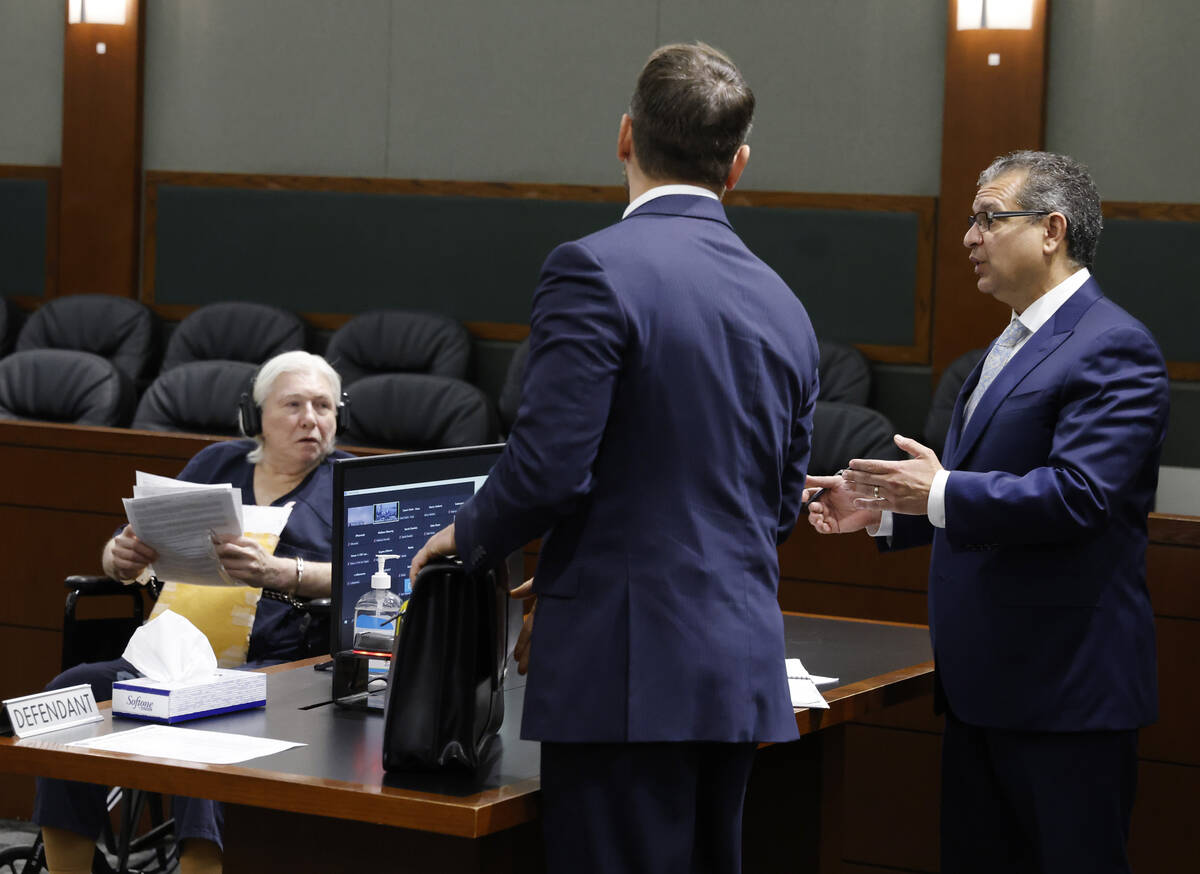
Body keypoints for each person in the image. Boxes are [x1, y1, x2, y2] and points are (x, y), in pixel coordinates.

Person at [410, 42, 819, 874]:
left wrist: (470, 536)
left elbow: (551, 466)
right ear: (737, 165)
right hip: (735, 670)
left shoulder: (592, 269)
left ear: (624, 136)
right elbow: (780, 505)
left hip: (624, 672)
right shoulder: (786, 303)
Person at [805, 151, 1169, 874]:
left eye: (988, 218)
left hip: (1066, 697)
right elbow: (976, 488)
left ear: (1051, 231)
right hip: (983, 690)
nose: (969, 235)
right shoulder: (1004, 344)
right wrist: (882, 510)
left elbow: (1081, 496)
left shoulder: (1114, 346)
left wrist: (934, 494)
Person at [34, 350, 352, 874]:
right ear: (256, 418)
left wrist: (281, 572)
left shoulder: (345, 483)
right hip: (167, 659)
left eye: (322, 406)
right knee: (66, 698)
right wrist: (119, 557)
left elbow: (367, 575)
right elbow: (126, 543)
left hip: (275, 671)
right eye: (293, 404)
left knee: (199, 720)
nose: (310, 419)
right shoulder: (216, 463)